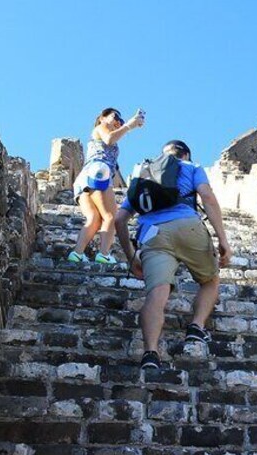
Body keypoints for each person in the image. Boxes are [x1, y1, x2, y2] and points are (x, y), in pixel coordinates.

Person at [115, 140, 232, 370]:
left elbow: (119, 219)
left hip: (151, 235)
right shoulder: (191, 167)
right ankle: (196, 328)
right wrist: (223, 240)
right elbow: (207, 197)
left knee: (156, 295)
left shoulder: (144, 175)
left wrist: (131, 257)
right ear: (185, 154)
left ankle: (150, 353)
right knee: (210, 279)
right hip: (187, 224)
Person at [67, 107, 144, 264]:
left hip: (85, 177)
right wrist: (129, 125)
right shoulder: (101, 128)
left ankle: (77, 253)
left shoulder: (104, 133)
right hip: (99, 170)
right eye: (115, 117)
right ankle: (103, 254)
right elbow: (109, 139)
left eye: (120, 121)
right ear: (102, 118)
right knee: (111, 216)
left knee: (94, 218)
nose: (117, 121)